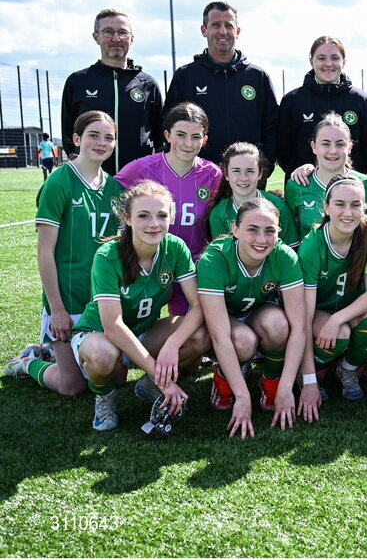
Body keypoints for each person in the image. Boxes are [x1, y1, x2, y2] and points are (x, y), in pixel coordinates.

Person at [69, 181, 209, 431]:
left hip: (143, 332)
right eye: (143, 216)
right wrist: (161, 374)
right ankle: (105, 397)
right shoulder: (107, 255)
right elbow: (112, 327)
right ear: (127, 217)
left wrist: (172, 345)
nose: (154, 224)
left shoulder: (175, 247)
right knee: (103, 356)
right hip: (99, 335)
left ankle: (146, 385)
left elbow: (198, 305)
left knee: (199, 335)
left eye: (161, 215)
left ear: (171, 217)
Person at [5, 112, 124, 396]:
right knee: (72, 386)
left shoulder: (116, 189)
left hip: (100, 300)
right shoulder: (59, 182)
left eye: (109, 137)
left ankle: (50, 350)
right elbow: (45, 252)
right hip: (68, 299)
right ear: (76, 139)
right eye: (94, 135)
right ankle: (28, 362)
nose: (101, 142)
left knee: (115, 379)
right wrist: (56, 309)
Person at [198, 198, 308, 438]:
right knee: (243, 341)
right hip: (225, 322)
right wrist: (242, 395)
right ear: (235, 230)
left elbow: (299, 329)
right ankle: (225, 381)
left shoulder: (284, 256)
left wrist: (286, 387)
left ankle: (271, 383)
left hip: (258, 314)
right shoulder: (214, 258)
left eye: (270, 231)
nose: (261, 239)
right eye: (252, 230)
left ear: (279, 232)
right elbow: (220, 334)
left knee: (280, 326)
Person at [115, 102, 223, 316]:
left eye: (195, 137)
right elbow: (106, 194)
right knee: (136, 328)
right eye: (180, 135)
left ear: (205, 140)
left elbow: (235, 201)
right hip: (147, 267)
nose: (188, 143)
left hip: (191, 269)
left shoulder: (213, 175)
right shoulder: (140, 169)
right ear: (167, 135)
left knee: (192, 336)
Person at [297, 175, 367, 401]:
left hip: (348, 309)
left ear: (364, 207)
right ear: (326, 207)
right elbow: (303, 318)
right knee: (340, 335)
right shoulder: (312, 245)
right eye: (339, 204)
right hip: (318, 311)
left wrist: (337, 319)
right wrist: (308, 380)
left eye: (356, 205)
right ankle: (308, 371)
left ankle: (346, 369)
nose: (348, 213)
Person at [165, 1, 277, 168]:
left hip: (246, 178)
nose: (223, 31)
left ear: (237, 31)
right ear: (204, 30)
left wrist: (263, 169)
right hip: (197, 175)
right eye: (216, 25)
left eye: (229, 26)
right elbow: (169, 126)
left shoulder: (257, 77)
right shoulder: (186, 76)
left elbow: (272, 129)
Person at [60, 9, 163, 174]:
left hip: (139, 182)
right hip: (91, 182)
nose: (116, 38)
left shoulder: (148, 84)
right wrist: (82, 172)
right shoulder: (78, 81)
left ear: (132, 38)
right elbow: (68, 134)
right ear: (96, 37)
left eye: (123, 32)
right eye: (108, 32)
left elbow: (160, 137)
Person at [278, 36, 367, 178]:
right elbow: (283, 150)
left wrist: (352, 173)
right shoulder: (292, 101)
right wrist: (302, 174)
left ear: (344, 61)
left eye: (335, 58)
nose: (328, 63)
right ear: (311, 61)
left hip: (349, 185)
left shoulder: (362, 101)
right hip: (304, 186)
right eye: (321, 58)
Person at [285, 112, 367, 238]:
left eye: (340, 144)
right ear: (314, 147)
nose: (333, 151)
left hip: (357, 257)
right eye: (325, 144)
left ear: (349, 148)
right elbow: (295, 236)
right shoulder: (297, 185)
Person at [205, 142, 299, 248]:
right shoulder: (219, 213)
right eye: (236, 171)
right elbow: (223, 256)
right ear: (226, 174)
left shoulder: (278, 206)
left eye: (250, 171)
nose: (243, 178)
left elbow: (292, 249)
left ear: (260, 173)